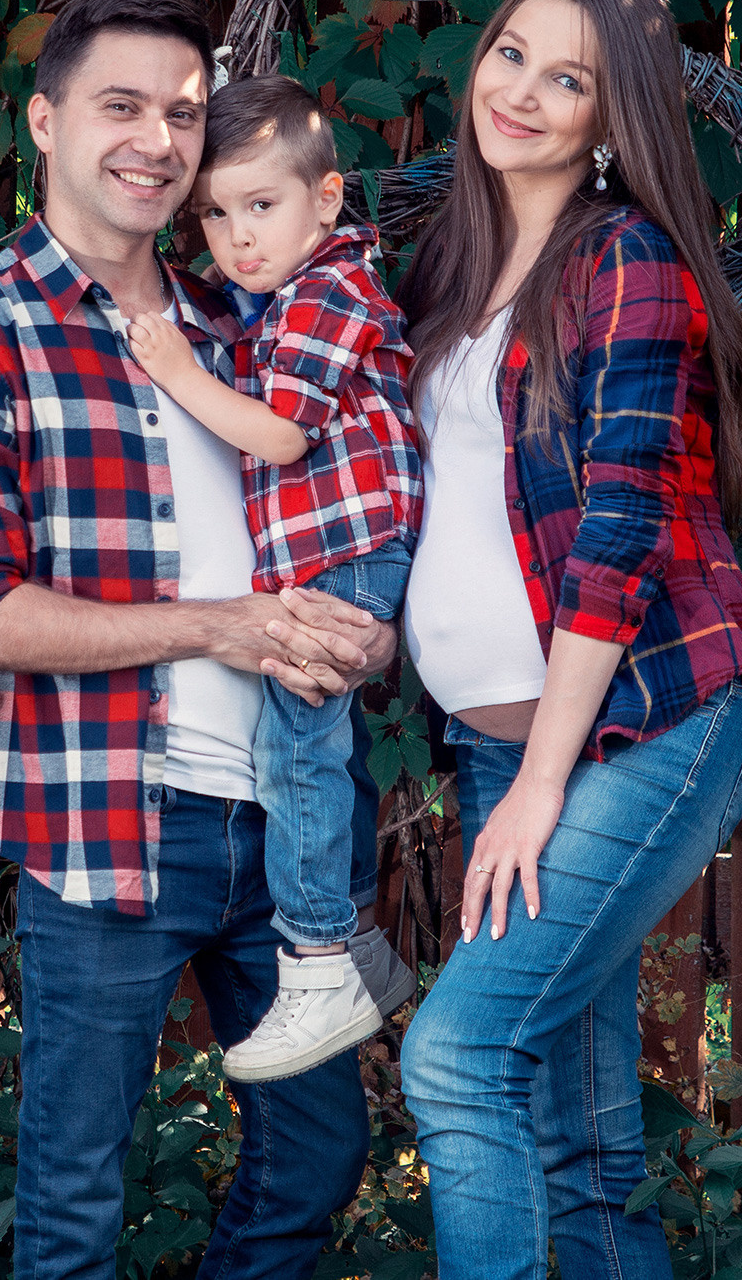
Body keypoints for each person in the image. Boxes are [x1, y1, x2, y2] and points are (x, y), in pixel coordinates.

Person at [0, 0, 408, 1280]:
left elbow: (356, 520)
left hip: (289, 823)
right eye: (120, 106)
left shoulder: (247, 313)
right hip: (112, 819)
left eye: (182, 113)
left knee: (315, 1158)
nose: (158, 141)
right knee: (73, 1204)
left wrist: (360, 639)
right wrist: (227, 628)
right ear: (46, 120)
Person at [391, 0, 742, 1280]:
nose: (525, 93)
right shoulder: (460, 262)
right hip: (507, 744)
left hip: (648, 727)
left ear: (615, 123)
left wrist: (542, 783)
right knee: (584, 1133)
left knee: (457, 1053)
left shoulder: (628, 263)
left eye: (571, 81)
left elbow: (618, 540)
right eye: (511, 54)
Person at [124, 76, 424, 1082]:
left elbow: (285, 436)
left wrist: (175, 370)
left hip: (346, 544)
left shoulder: (328, 288)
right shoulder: (283, 290)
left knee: (294, 749)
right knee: (323, 748)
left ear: (326, 199)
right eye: (215, 212)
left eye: (262, 205)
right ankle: (367, 950)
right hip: (339, 543)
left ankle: (317, 961)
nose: (236, 237)